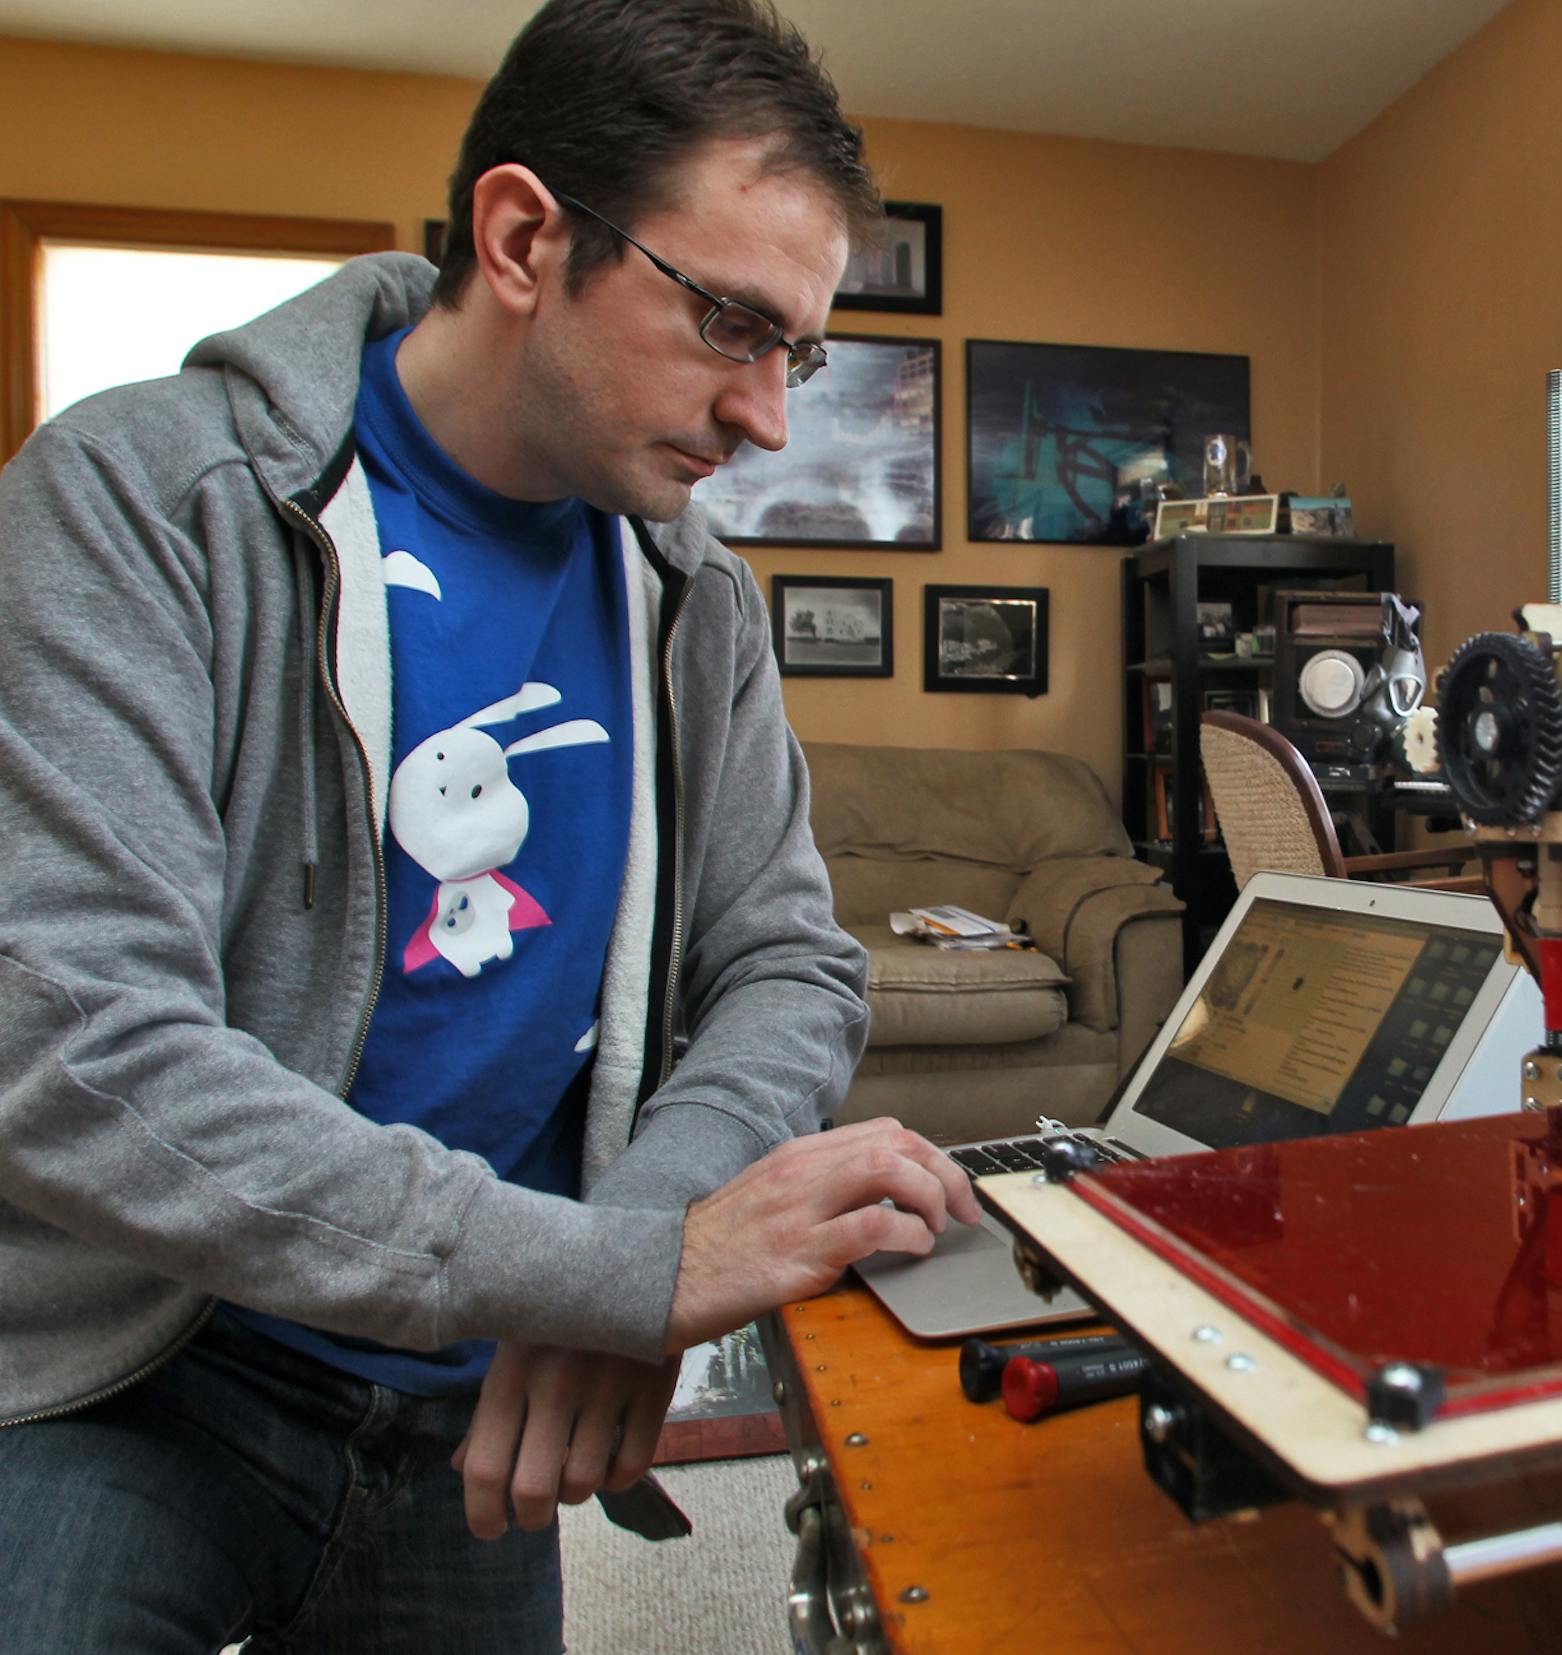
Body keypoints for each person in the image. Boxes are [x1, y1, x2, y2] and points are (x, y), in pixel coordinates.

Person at [0, 1, 979, 1648]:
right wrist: (621, 1277)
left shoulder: (696, 602)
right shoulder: (139, 501)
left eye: (793, 352)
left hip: (476, 1413)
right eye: (733, 324)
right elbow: (78, 1043)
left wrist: (619, 1250)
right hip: (142, 1370)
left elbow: (790, 967)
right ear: (525, 236)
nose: (767, 419)